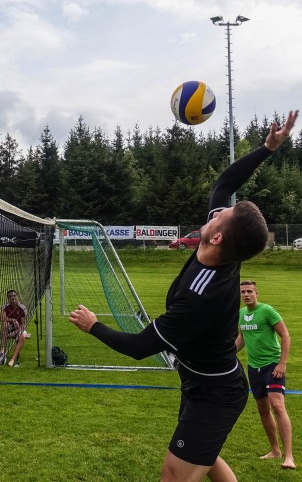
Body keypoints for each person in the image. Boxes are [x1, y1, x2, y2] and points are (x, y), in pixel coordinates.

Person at [68, 110, 298, 482]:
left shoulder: (200, 298)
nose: (218, 210)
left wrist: (94, 326)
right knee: (207, 459)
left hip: (215, 393)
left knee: (173, 476)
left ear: (217, 236)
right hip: (201, 381)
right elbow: (224, 183)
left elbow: (140, 346)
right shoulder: (224, 247)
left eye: (222, 216)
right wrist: (267, 149)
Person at [236, 280, 295, 470]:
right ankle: (275, 451)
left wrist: (282, 364)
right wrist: (226, 354)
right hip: (254, 368)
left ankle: (289, 457)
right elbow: (242, 338)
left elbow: (286, 336)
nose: (246, 295)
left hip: (272, 366)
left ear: (257, 293)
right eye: (243, 292)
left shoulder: (267, 311)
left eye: (249, 291)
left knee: (277, 406)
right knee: (262, 408)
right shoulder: (241, 314)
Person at [0, 289, 29, 368]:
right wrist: (12, 320)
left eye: (14, 296)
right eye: (10, 296)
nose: (12, 298)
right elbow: (2, 318)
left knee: (23, 335)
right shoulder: (5, 306)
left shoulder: (23, 308)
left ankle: (13, 359)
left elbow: (23, 326)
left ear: (17, 296)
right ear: (8, 298)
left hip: (20, 328)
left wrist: (14, 332)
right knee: (5, 324)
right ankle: (2, 350)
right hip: (10, 326)